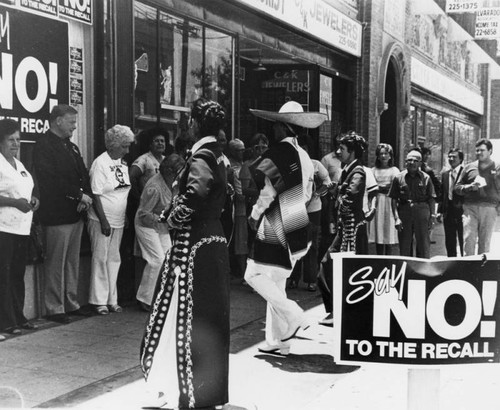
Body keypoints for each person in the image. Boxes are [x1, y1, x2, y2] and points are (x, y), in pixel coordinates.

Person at [140, 98, 230, 410]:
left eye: (190, 120)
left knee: (183, 317)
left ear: (195, 123)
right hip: (211, 241)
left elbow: (196, 192)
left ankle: (186, 390)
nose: (187, 125)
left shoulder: (203, 154)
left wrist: (171, 217)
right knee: (200, 317)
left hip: (192, 246)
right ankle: (188, 388)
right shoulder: (217, 154)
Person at [243, 100, 326, 355]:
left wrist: (255, 213)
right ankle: (280, 342)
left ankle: (294, 314)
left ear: (282, 126)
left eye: (275, 126)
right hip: (297, 217)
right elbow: (310, 191)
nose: (272, 131)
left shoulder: (278, 153)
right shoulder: (304, 156)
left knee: (253, 274)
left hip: (277, 218)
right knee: (276, 280)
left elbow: (268, 191)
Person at [33, 104, 93, 324]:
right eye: (71, 122)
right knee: (56, 263)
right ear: (58, 120)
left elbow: (83, 174)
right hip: (57, 215)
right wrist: (78, 195)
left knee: (71, 262)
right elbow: (51, 180)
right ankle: (55, 307)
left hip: (75, 213)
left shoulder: (72, 147)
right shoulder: (44, 146)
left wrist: (85, 196)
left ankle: (71, 302)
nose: (75, 127)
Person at [317, 132, 368, 327]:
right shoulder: (349, 169)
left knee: (334, 268)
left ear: (352, 152)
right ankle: (339, 311)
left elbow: (350, 197)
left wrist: (338, 195)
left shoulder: (358, 172)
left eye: (342, 149)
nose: (338, 152)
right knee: (335, 269)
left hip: (350, 231)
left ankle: (340, 312)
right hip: (346, 229)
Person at [87, 125, 134, 315]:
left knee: (114, 259)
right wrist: (103, 220)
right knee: (100, 258)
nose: (127, 150)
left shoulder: (123, 164)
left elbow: (123, 192)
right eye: (124, 146)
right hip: (101, 220)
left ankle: (112, 299)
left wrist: (125, 216)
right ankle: (99, 300)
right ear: (114, 145)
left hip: (118, 219)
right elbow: (96, 194)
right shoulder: (100, 163)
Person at [0, 119, 40, 339]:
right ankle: (5, 323)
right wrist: (15, 203)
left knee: (17, 274)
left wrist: (34, 200)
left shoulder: (20, 164)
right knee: (3, 276)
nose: (15, 144)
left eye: (18, 140)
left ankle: (18, 316)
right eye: (10, 140)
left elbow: (27, 190)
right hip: (3, 228)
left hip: (21, 228)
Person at [135, 154, 185, 311]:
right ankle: (145, 299)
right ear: (170, 171)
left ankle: (162, 296)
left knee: (169, 259)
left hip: (161, 224)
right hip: (146, 225)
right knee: (157, 260)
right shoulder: (154, 187)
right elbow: (143, 214)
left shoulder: (173, 182)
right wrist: (164, 220)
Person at [289, 134, 332, 292]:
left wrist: (316, 193)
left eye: (305, 148)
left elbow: (328, 183)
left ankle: (311, 279)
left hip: (313, 209)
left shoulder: (316, 164)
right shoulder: (292, 164)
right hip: (295, 208)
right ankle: (293, 278)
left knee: (311, 244)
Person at [454, 139, 500, 256]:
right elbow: (457, 187)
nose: (479, 153)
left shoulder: (498, 167)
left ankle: (482, 271)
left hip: (489, 209)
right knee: (468, 240)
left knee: (485, 242)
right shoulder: (469, 167)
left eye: (482, 150)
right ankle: (468, 270)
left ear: (490, 151)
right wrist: (468, 187)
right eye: (477, 150)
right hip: (470, 208)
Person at [389, 149, 436, 258]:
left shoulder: (426, 178)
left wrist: (432, 216)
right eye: (409, 160)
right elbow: (394, 199)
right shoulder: (398, 178)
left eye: (415, 160)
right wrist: (396, 218)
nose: (412, 163)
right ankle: (406, 271)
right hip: (404, 211)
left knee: (423, 244)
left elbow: (431, 198)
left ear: (420, 163)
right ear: (405, 162)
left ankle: (423, 272)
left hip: (422, 211)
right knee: (405, 245)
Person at [368, 143, 400, 255]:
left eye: (386, 153)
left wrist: (383, 188)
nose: (383, 156)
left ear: (390, 155)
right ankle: (380, 257)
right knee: (379, 229)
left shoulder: (394, 170)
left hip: (390, 201)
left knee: (389, 229)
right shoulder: (373, 170)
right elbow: (371, 187)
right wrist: (380, 188)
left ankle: (389, 258)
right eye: (381, 154)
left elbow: (395, 187)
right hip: (377, 202)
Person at [437, 148, 464, 257]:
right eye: (450, 156)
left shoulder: (465, 172)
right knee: (450, 240)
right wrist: (440, 211)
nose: (451, 159)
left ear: (461, 159)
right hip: (448, 212)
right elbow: (442, 194)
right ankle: (451, 263)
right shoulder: (445, 174)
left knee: (463, 239)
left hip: (462, 211)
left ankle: (464, 264)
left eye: (454, 157)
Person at [227, 138, 248, 279]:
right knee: (241, 241)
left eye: (243, 149)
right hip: (239, 208)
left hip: (247, 207)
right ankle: (242, 272)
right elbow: (240, 194)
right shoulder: (230, 167)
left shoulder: (243, 164)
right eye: (239, 150)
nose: (242, 152)